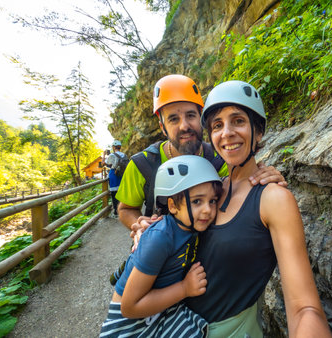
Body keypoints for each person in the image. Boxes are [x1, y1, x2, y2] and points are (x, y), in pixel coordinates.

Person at [183, 80, 332, 337]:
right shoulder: (211, 191)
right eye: (217, 125)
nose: (226, 132)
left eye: (238, 121)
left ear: (258, 132)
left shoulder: (274, 198)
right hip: (181, 324)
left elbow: (304, 307)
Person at [115, 74, 286, 235]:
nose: (184, 126)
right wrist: (139, 224)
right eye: (173, 119)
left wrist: (264, 175)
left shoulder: (221, 160)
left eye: (191, 115)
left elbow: (243, 184)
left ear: (201, 118)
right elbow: (125, 209)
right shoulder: (143, 164)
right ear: (162, 127)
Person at [100, 156, 223, 338]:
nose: (208, 210)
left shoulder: (190, 226)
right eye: (197, 201)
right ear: (172, 206)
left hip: (157, 306)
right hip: (130, 324)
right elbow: (129, 307)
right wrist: (184, 288)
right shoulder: (161, 237)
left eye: (212, 201)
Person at [103, 140, 126, 217]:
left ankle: (116, 211)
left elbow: (104, 163)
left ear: (113, 147)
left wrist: (103, 155)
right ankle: (122, 210)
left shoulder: (112, 155)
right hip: (122, 175)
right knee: (121, 192)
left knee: (114, 193)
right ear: (120, 147)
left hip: (113, 174)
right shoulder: (124, 155)